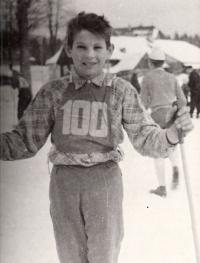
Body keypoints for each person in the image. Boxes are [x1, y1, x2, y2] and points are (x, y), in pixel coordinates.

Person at [0, 12, 193, 263]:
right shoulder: (53, 92)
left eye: (96, 47)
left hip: (104, 182)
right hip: (64, 185)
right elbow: (24, 140)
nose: (89, 54)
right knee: (70, 256)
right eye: (81, 46)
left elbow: (144, 135)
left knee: (104, 255)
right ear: (69, 49)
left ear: (109, 50)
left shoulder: (121, 91)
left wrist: (170, 135)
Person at [140, 47, 187, 197]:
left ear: (150, 63)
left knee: (157, 150)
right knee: (171, 146)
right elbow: (183, 100)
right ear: (163, 62)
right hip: (171, 115)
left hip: (157, 114)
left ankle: (162, 187)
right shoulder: (172, 77)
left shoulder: (147, 78)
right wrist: (176, 109)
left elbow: (143, 103)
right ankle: (175, 167)